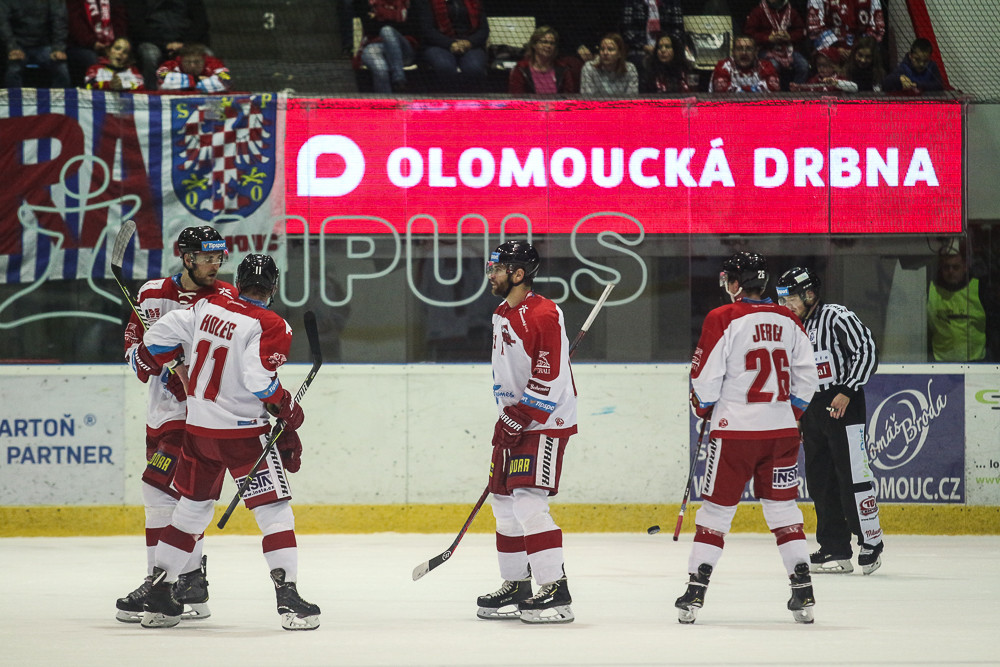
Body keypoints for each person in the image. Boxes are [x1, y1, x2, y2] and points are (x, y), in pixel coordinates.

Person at [138, 254, 320, 631]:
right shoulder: (272, 324)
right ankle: (288, 599)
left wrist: (177, 367)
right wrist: (285, 407)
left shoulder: (208, 305)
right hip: (242, 436)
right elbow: (258, 381)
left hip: (198, 431)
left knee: (190, 511)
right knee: (274, 511)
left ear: (238, 281)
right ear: (273, 286)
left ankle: (160, 594)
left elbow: (154, 338)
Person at [678, 252, 819, 625]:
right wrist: (787, 414)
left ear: (737, 282)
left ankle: (696, 589)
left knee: (716, 512)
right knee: (784, 510)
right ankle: (803, 588)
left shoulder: (723, 317)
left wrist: (702, 406)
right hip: (782, 433)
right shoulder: (790, 319)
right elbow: (808, 377)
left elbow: (705, 379)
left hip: (735, 434)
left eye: (729, 278)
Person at [115, 226, 234, 623]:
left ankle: (159, 587)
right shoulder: (151, 294)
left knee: (157, 490)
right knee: (178, 501)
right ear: (187, 258)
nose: (215, 265)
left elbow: (233, 358)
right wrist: (154, 359)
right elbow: (134, 355)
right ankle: (190, 583)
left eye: (219, 258)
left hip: (199, 417)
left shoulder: (226, 299)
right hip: (161, 413)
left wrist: (192, 373)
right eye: (207, 258)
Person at [476, 240, 577, 625]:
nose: (491, 275)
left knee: (528, 501)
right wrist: (509, 416)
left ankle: (555, 590)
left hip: (544, 422)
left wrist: (522, 415)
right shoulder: (502, 312)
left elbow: (549, 378)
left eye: (498, 269)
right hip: (515, 419)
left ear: (518, 274)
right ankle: (517, 584)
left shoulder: (544, 313)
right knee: (502, 501)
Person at [776, 266, 884, 575]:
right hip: (811, 408)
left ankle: (870, 540)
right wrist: (796, 413)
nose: (787, 305)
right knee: (820, 480)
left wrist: (847, 390)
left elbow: (867, 350)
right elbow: (792, 371)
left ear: (810, 294)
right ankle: (834, 547)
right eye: (783, 299)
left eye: (791, 298)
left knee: (852, 476)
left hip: (842, 404)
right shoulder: (791, 327)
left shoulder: (837, 316)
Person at [125, 0, 210, 90]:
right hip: (153, 41)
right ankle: (152, 92)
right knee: (150, 54)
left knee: (207, 54)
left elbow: (201, 21)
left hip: (187, 42)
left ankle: (205, 89)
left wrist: (184, 43)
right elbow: (137, 24)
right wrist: (164, 44)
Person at [927, 246, 993, 362]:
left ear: (965, 267)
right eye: (946, 267)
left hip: (977, 361)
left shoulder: (979, 289)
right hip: (940, 362)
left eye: (956, 267)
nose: (951, 271)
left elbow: (993, 324)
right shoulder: (930, 290)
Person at [415, 0, 489, 93]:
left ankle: (468, 97)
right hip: (438, 44)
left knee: (474, 68)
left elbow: (484, 30)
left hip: (470, 45)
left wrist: (469, 43)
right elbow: (427, 30)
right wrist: (450, 44)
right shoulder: (428, 2)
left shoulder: (475, 2)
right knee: (445, 67)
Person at [0, 0, 71, 88]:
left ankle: (59, 97)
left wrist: (58, 48)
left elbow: (59, 21)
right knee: (13, 70)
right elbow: (3, 23)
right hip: (17, 45)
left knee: (61, 70)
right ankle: (14, 96)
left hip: (44, 45)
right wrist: (12, 47)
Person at [354, 0, 417, 93]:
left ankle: (399, 79)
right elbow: (369, 27)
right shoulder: (367, 3)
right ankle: (387, 100)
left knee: (387, 31)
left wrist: (383, 24)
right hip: (375, 46)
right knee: (380, 69)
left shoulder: (409, 3)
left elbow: (411, 28)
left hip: (404, 49)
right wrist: (396, 25)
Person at [743, 0, 809, 90]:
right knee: (773, 66)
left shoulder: (791, 11)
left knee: (803, 65)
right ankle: (773, 93)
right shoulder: (758, 11)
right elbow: (749, 33)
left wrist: (789, 36)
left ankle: (796, 92)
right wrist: (768, 38)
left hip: (788, 49)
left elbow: (801, 31)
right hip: (765, 49)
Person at [508, 26, 577, 95]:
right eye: (544, 42)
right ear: (534, 45)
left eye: (552, 43)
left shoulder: (563, 69)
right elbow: (516, 97)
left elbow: (569, 96)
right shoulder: (521, 69)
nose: (548, 46)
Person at [806, 0, 884, 61]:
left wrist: (859, 48)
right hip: (832, 49)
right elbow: (816, 29)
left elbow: (876, 29)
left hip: (862, 49)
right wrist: (836, 48)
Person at [621, 0, 683, 72]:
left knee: (674, 61)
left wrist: (666, 46)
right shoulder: (632, 1)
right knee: (640, 62)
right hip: (640, 49)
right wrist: (644, 46)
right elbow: (626, 30)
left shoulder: (672, 2)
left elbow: (678, 29)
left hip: (667, 47)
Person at [708, 35, 780, 93]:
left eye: (749, 49)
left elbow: (773, 88)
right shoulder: (723, 66)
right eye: (739, 49)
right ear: (733, 52)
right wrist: (754, 90)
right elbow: (721, 89)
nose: (744, 53)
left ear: (755, 52)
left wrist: (740, 90)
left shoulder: (765, 65)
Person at [580, 33, 638, 97]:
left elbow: (632, 98)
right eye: (602, 49)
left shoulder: (630, 69)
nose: (605, 53)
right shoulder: (589, 68)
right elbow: (587, 98)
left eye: (610, 49)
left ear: (620, 53)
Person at [156, 42, 229, 92]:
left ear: (204, 60)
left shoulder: (214, 63)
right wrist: (196, 79)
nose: (192, 66)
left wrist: (181, 81)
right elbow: (161, 80)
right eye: (187, 62)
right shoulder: (172, 64)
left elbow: (226, 81)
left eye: (197, 62)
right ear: (181, 60)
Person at [789, 47, 856, 92]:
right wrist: (798, 89)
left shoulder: (841, 79)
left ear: (834, 66)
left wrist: (835, 83)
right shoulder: (813, 80)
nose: (821, 68)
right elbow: (805, 91)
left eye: (825, 65)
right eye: (819, 65)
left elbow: (854, 88)